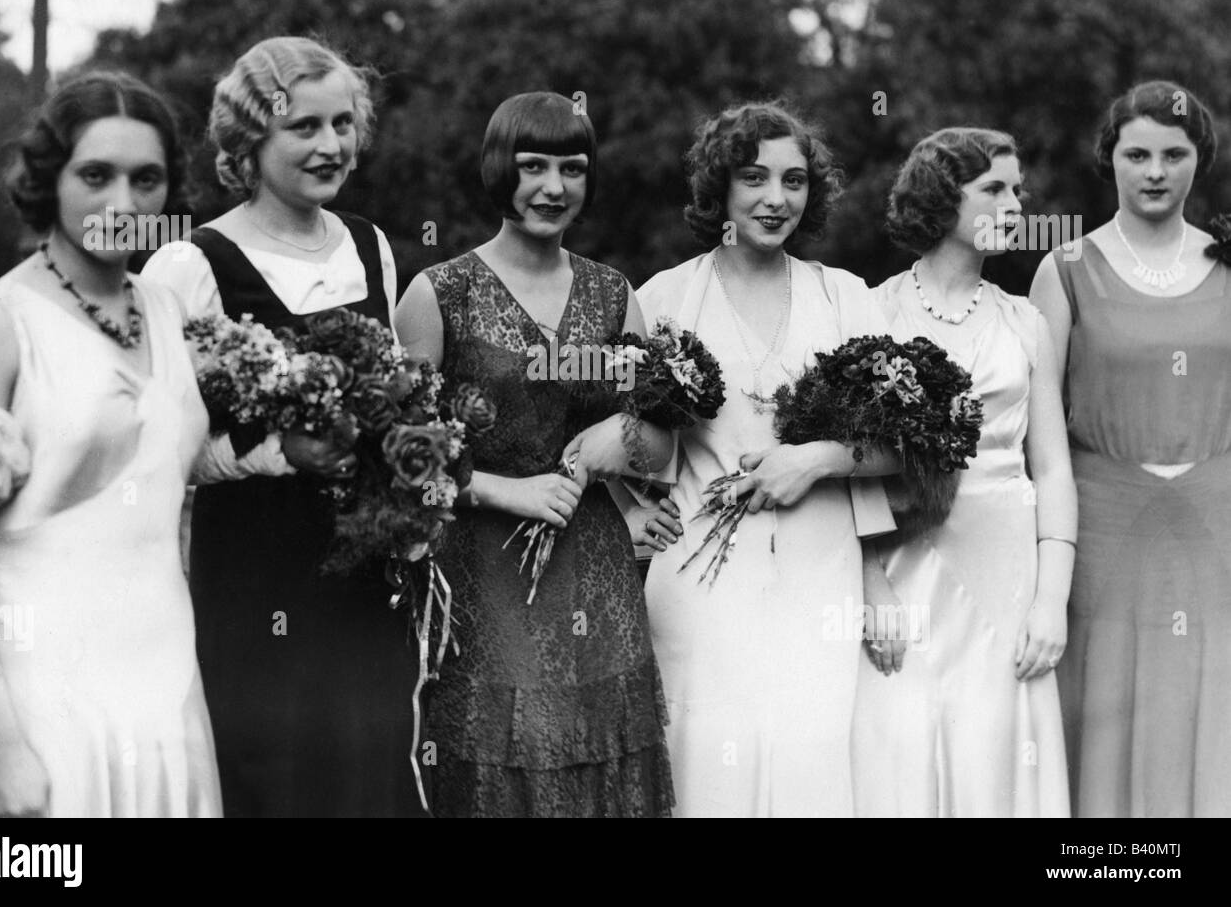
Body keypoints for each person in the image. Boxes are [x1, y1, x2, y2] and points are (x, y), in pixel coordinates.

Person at [142, 36, 422, 817]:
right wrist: (273, 451)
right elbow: (165, 455)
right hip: (256, 571)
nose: (331, 145)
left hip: (364, 575)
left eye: (343, 124)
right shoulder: (190, 265)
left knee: (367, 776)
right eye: (304, 127)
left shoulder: (369, 245)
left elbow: (392, 393)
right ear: (250, 139)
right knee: (274, 778)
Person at [0, 71, 221, 817]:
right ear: (49, 178)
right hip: (36, 701)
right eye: (96, 175)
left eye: (147, 179)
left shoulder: (164, 310)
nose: (123, 203)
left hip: (163, 694)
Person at [394, 91, 676, 817]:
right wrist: (500, 487)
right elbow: (400, 455)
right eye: (534, 166)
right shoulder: (439, 294)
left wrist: (615, 446)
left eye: (573, 169)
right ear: (499, 169)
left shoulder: (615, 295)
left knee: (600, 760)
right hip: (485, 567)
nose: (555, 187)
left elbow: (655, 444)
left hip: (599, 569)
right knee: (506, 761)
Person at [631, 102, 898, 817]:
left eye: (794, 180)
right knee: (706, 769)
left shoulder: (843, 296)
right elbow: (623, 441)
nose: (775, 198)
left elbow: (903, 446)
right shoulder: (661, 298)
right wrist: (631, 513)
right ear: (720, 186)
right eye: (754, 178)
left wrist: (814, 459)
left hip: (821, 577)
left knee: (810, 766)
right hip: (699, 581)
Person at [852, 128, 1074, 817]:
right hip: (904, 563)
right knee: (901, 745)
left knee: (997, 753)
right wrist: (868, 586)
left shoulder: (1025, 321)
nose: (1015, 203)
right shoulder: (872, 310)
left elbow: (1055, 469)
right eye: (995, 189)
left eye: (1018, 190)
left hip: (1007, 569)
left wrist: (1051, 598)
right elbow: (849, 467)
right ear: (943, 198)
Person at [1030, 80, 1231, 817]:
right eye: (1136, 152)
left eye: (1173, 154)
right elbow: (1038, 425)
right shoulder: (1067, 269)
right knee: (1105, 708)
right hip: (1105, 527)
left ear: (1197, 161)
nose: (1154, 171)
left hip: (1221, 525)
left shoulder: (1229, 260)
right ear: (1108, 159)